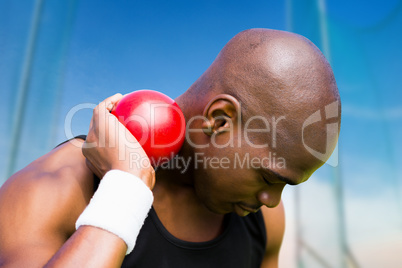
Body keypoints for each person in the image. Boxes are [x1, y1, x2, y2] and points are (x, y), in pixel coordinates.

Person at [0, 28, 340, 267]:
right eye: (268, 178)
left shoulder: (265, 222)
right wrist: (123, 194)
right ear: (220, 121)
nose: (273, 201)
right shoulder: (54, 189)